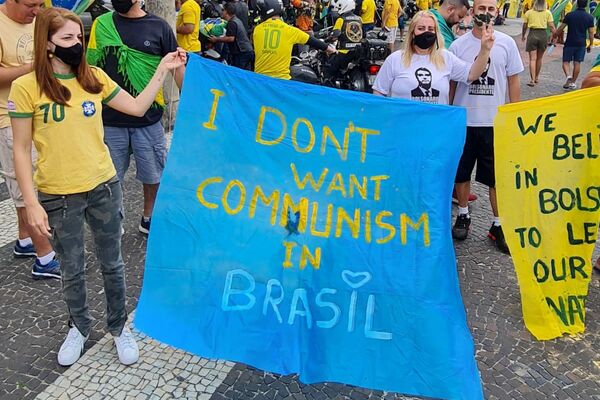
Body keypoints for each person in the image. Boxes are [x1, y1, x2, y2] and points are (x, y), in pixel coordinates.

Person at [9, 8, 185, 367]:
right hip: (57, 193)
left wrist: (163, 69)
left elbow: (137, 107)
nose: (77, 45)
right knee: (71, 266)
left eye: (79, 38)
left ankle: (119, 328)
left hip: (103, 185)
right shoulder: (26, 88)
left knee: (113, 263)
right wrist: (32, 204)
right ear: (46, 45)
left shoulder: (95, 79)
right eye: (67, 39)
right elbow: (21, 150)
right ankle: (79, 326)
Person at [87, 0, 185, 235]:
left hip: (149, 119)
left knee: (153, 174)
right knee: (110, 177)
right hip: (109, 119)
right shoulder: (101, 24)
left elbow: (178, 69)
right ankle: (114, 217)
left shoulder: (160, 27)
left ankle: (148, 216)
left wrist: (197, 104)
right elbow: (89, 68)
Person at [449, 0, 523, 254]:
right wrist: (448, 114)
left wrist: (515, 115)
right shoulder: (458, 45)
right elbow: (452, 84)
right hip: (464, 120)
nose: (486, 13)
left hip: (494, 123)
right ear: (473, 12)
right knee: (461, 172)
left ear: (497, 12)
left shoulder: (507, 44)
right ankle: (463, 214)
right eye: (482, 8)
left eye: (491, 9)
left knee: (497, 179)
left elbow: (513, 80)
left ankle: (498, 224)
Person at [0, 0, 60, 279]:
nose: (36, 11)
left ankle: (25, 240)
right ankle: (44, 257)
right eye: (30, 4)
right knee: (26, 188)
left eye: (39, 4)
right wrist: (32, 66)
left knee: (27, 180)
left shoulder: (38, 19)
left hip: (39, 112)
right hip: (8, 117)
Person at [373, 10, 493, 104]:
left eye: (431, 29)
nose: (426, 32)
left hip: (436, 130)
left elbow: (472, 74)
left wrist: (485, 49)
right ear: (412, 33)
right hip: (404, 129)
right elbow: (379, 92)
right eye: (421, 28)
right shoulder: (394, 60)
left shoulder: (446, 57)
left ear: (436, 33)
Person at [253, 0, 336, 79]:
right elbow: (312, 41)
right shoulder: (290, 30)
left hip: (259, 79)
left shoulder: (257, 30)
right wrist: (331, 50)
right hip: (281, 80)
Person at [553, 0, 595, 89]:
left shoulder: (570, 15)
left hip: (570, 42)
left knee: (565, 61)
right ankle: (573, 82)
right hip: (581, 43)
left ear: (577, 4)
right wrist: (590, 44)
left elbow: (561, 27)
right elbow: (591, 33)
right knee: (577, 62)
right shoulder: (589, 17)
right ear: (586, 5)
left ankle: (568, 76)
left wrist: (555, 35)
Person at [324, 0, 363, 84]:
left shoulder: (341, 19)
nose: (338, 9)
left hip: (343, 52)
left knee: (328, 71)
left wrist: (328, 38)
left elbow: (335, 35)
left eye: (339, 7)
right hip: (357, 51)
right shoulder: (360, 19)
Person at [210, 2, 254, 69]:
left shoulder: (232, 23)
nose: (221, 12)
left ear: (226, 12)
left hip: (241, 52)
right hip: (247, 50)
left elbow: (231, 38)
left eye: (223, 10)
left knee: (237, 73)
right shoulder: (236, 20)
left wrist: (216, 39)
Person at [521, 0, 555, 86]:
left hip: (532, 34)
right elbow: (551, 26)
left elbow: (525, 26)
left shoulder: (529, 12)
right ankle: (536, 77)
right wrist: (554, 35)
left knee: (532, 59)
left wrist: (523, 35)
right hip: (543, 34)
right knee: (539, 59)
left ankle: (532, 79)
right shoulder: (548, 13)